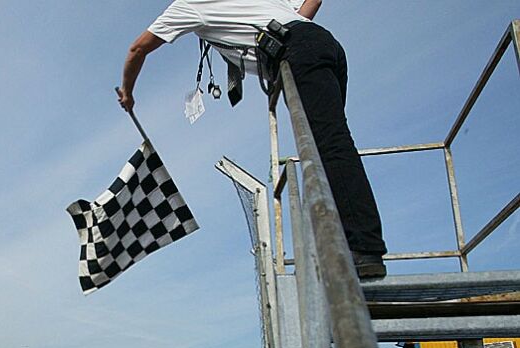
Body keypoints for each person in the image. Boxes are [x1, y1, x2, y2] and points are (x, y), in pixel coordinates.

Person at [118, 0, 388, 279]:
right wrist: (290, 28)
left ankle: (364, 248)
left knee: (329, 146)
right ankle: (353, 243)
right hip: (322, 43)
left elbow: (138, 48)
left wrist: (127, 92)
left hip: (297, 51)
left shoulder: (189, 4)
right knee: (330, 144)